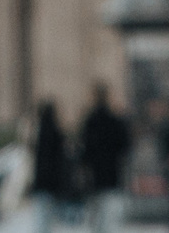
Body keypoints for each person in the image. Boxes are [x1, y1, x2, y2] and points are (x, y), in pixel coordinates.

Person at [79, 83, 132, 230]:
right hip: (111, 173)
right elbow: (125, 146)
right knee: (108, 216)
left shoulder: (90, 121)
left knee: (97, 218)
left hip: (95, 175)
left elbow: (84, 149)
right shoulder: (115, 120)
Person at [31, 100, 79, 229]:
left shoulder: (40, 132)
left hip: (42, 182)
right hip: (52, 183)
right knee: (47, 219)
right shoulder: (57, 133)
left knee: (42, 219)